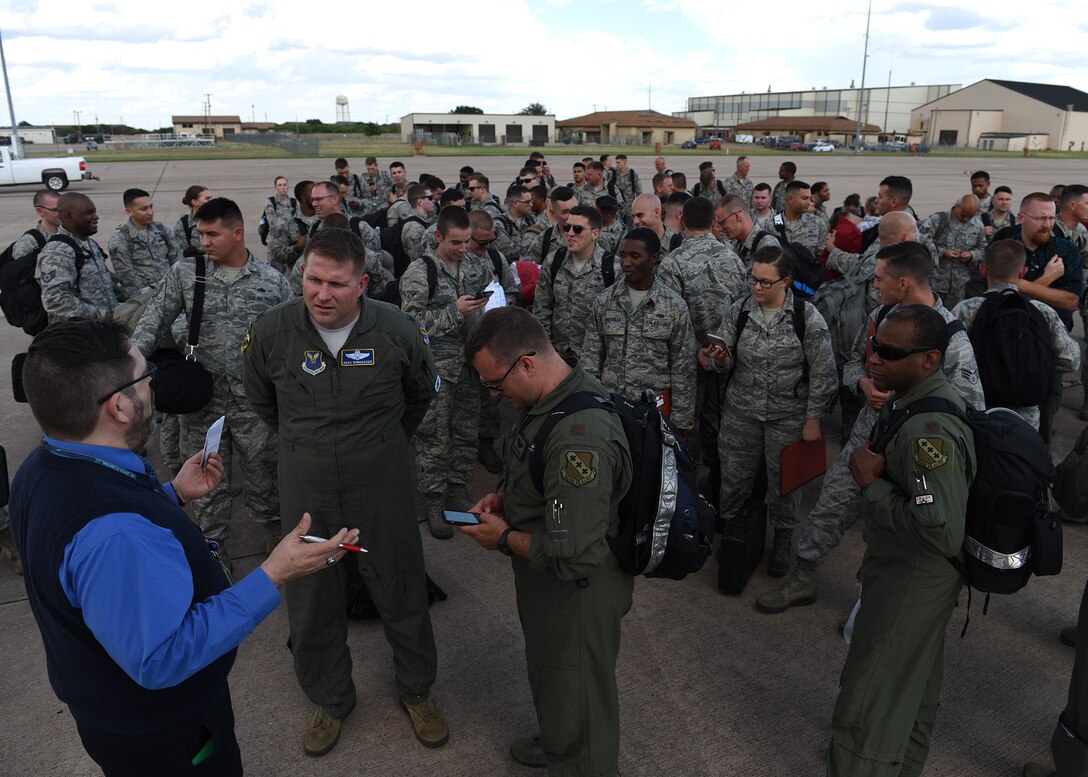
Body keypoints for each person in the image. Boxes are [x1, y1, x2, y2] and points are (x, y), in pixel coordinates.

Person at [11, 318, 358, 776]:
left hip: (116, 716)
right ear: (118, 406)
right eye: (145, 374)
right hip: (167, 738)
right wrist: (273, 573)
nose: (153, 383)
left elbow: (87, 554)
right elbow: (161, 658)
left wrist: (170, 493)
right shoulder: (116, 534)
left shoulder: (42, 465)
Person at [243, 227, 448, 757]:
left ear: (363, 283)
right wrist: (308, 444)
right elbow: (263, 401)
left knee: (401, 590)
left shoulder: (399, 330)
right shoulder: (270, 332)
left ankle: (418, 691)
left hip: (381, 484)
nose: (322, 294)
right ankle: (330, 700)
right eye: (313, 279)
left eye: (337, 283)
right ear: (302, 275)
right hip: (307, 487)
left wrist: (377, 443)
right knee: (311, 600)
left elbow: (420, 395)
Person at [756, 240, 984, 613]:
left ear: (904, 282)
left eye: (880, 278)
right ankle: (803, 576)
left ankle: (877, 603)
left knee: (897, 530)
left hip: (917, 452)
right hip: (869, 436)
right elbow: (853, 363)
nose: (874, 285)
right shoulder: (884, 316)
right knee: (832, 503)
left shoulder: (951, 339)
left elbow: (970, 411)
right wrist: (862, 385)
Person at [459, 307, 633, 775]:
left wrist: (503, 537)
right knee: (555, 681)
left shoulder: (580, 437)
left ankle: (576, 758)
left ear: (528, 364)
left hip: (575, 593)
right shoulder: (549, 400)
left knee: (577, 694)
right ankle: (559, 738)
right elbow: (537, 475)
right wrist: (504, 497)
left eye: (495, 384)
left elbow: (574, 555)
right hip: (547, 586)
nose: (495, 394)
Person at [827, 304, 975, 777]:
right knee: (909, 691)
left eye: (889, 352)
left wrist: (873, 486)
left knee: (870, 699)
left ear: (930, 359)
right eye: (874, 345)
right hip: (902, 567)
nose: (874, 359)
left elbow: (939, 529)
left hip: (915, 576)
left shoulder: (928, 430)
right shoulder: (906, 399)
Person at [134, 196, 291, 565]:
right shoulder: (186, 273)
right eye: (200, 233)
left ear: (237, 233)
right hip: (203, 402)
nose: (203, 241)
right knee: (207, 485)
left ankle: (277, 539)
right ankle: (213, 554)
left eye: (211, 233)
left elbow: (288, 344)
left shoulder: (273, 282)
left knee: (266, 477)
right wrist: (129, 369)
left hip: (256, 403)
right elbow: (152, 323)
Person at [701, 246, 837, 576]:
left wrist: (813, 420)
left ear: (785, 282)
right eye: (753, 280)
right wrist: (717, 359)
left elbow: (824, 372)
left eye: (765, 282)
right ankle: (735, 536)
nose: (757, 288)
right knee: (734, 479)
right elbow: (725, 357)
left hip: (788, 417)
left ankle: (782, 542)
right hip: (741, 413)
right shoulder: (740, 312)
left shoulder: (807, 317)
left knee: (785, 485)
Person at [400, 206, 495, 538]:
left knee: (466, 432)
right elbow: (411, 328)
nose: (463, 249)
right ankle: (434, 501)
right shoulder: (419, 272)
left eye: (467, 241)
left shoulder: (475, 266)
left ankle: (457, 490)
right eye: (456, 242)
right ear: (438, 236)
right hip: (437, 371)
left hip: (471, 367)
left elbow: (493, 299)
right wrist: (455, 312)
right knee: (435, 438)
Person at [658, 196, 747, 495]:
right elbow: (741, 312)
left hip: (688, 364)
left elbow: (669, 319)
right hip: (724, 359)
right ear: (713, 222)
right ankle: (718, 495)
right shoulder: (733, 260)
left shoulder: (673, 262)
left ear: (682, 220)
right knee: (720, 427)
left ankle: (689, 497)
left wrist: (697, 349)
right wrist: (720, 350)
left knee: (686, 427)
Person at [951, 239, 1079, 431]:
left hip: (978, 413)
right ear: (1022, 272)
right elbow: (1070, 360)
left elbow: (950, 359)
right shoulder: (1041, 311)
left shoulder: (966, 310)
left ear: (983, 269)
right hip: (1026, 420)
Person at [583, 228, 697, 430]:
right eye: (623, 256)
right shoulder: (604, 301)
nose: (626, 262)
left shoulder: (674, 306)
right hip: (612, 409)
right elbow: (591, 361)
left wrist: (680, 422)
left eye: (635, 256)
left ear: (654, 258)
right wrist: (591, 406)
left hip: (654, 412)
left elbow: (683, 368)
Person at [533, 204, 618, 361]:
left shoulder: (612, 267)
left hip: (596, 360)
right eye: (567, 228)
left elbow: (617, 319)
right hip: (558, 357)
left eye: (577, 229)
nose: (570, 234)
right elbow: (542, 308)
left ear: (595, 234)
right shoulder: (554, 261)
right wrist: (548, 350)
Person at [35, 192, 117, 324]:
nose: (96, 217)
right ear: (68, 216)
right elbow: (55, 301)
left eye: (94, 212)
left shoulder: (90, 243)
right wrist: (104, 315)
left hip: (103, 331)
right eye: (89, 213)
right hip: (79, 335)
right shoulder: (57, 252)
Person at [108, 188, 180, 302]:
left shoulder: (161, 229)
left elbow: (177, 260)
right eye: (143, 209)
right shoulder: (121, 239)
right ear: (129, 211)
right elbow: (128, 278)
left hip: (171, 294)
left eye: (151, 207)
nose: (150, 212)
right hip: (143, 300)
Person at [921, 193, 987, 310]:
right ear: (957, 206)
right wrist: (942, 252)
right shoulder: (939, 220)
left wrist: (972, 255)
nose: (966, 219)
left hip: (958, 286)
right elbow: (921, 239)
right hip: (934, 282)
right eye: (963, 215)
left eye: (970, 216)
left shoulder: (977, 226)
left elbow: (983, 249)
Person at [715, 195, 781, 266]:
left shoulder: (767, 244)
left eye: (722, 223)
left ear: (737, 216)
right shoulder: (735, 244)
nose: (721, 228)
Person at [779, 180, 829, 259]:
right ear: (790, 199)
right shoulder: (769, 224)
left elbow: (822, 257)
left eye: (810, 198)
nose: (809, 202)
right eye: (805, 198)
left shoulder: (817, 223)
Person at [11, 188, 60, 260]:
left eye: (64, 208)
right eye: (55, 210)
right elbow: (19, 269)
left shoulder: (71, 232)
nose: (62, 213)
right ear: (39, 211)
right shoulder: (29, 243)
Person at [174, 185, 211, 258]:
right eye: (207, 198)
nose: (211, 201)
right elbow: (181, 255)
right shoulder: (183, 225)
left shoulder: (219, 220)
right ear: (195, 202)